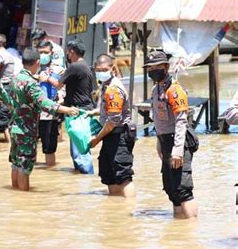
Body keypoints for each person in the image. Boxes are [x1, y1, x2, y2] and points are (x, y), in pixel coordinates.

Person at [9, 48, 79, 191]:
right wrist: (67, 110)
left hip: (15, 128)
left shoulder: (15, 79)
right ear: (37, 62)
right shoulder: (30, 83)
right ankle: (23, 200)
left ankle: (15, 197)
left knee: (16, 163)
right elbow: (44, 103)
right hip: (26, 130)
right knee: (24, 166)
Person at [145, 51, 197, 219]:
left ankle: (190, 231)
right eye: (150, 68)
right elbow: (159, 121)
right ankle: (179, 230)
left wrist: (178, 150)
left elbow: (182, 121)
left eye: (157, 67)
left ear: (166, 67)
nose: (153, 70)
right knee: (171, 189)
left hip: (178, 141)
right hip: (165, 140)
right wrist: (159, 142)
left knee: (182, 189)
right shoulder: (156, 89)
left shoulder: (174, 90)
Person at [88, 54, 136, 198]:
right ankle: (116, 210)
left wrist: (96, 139)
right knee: (108, 174)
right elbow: (107, 110)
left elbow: (113, 121)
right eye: (98, 70)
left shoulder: (114, 89)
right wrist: (93, 112)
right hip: (110, 135)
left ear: (112, 68)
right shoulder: (105, 85)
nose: (100, 72)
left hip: (119, 135)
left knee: (123, 177)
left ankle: (129, 211)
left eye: (104, 69)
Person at [44, 39, 95, 174]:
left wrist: (46, 78)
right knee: (80, 146)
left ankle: (86, 179)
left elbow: (58, 84)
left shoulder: (74, 67)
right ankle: (82, 178)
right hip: (84, 109)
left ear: (72, 52)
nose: (67, 54)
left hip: (77, 111)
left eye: (68, 52)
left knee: (79, 151)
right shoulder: (86, 66)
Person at [37, 40, 65, 166]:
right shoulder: (34, 68)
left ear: (51, 53)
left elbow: (63, 92)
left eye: (45, 52)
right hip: (33, 115)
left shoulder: (59, 71)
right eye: (40, 52)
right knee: (29, 149)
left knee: (49, 149)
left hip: (49, 115)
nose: (43, 55)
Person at [0, 34, 16, 144]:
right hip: (10, 87)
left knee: (3, 117)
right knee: (9, 115)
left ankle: (10, 144)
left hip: (2, 87)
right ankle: (12, 142)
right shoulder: (9, 55)